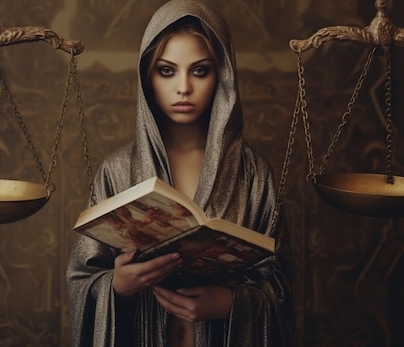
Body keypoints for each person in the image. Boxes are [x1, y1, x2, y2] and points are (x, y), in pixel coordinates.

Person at [67, 0, 294, 346]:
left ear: (223, 75)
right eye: (167, 70)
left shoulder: (254, 175)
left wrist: (230, 303)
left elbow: (280, 286)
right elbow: (82, 278)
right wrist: (117, 286)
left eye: (200, 70)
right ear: (147, 76)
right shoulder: (116, 171)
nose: (183, 87)